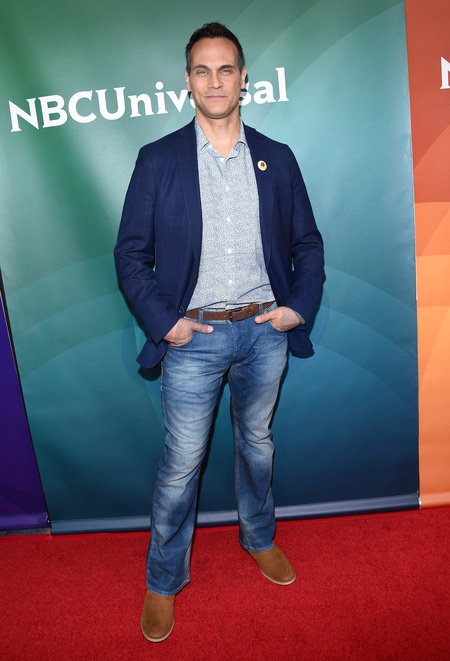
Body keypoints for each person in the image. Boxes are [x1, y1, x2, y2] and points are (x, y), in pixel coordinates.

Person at [114, 22, 324, 643]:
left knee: (257, 444)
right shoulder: (158, 160)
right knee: (182, 465)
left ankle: (258, 538)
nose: (214, 81)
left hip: (264, 332)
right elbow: (130, 255)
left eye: (225, 69)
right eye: (202, 71)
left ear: (242, 78)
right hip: (194, 339)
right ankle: (163, 579)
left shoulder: (277, 157)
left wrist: (296, 308)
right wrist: (166, 323)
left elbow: (308, 244)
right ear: (187, 81)